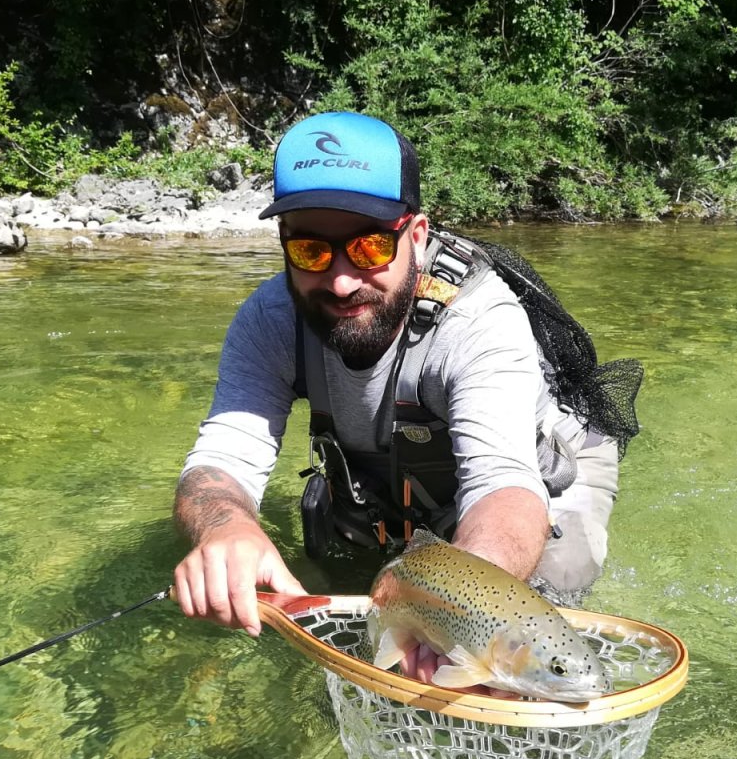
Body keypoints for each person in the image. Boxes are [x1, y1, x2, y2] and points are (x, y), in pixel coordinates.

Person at [171, 111, 629, 680]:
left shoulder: (480, 322)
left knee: (537, 617)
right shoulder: (269, 319)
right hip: (391, 465)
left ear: (415, 235)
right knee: (357, 584)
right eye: (311, 251)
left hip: (541, 468)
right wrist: (224, 528)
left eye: (367, 248)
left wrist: (456, 609)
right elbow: (220, 462)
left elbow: (504, 484)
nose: (340, 281)